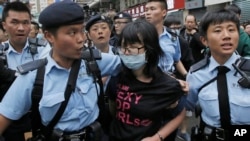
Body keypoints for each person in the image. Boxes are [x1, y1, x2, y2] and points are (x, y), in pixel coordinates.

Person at [0, 1, 121, 141]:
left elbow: (134, 66)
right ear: (49, 36)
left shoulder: (93, 62)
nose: (81, 39)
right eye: (72, 32)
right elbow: (4, 117)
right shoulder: (33, 77)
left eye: (82, 30)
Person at [106, 19, 186, 141]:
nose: (126, 53)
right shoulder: (117, 76)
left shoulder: (168, 86)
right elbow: (114, 109)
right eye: (123, 47)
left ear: (150, 50)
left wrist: (157, 137)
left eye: (133, 47)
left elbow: (180, 113)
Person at [186, 9, 250, 141]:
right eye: (218, 30)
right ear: (204, 40)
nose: (226, 35)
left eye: (231, 30)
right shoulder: (196, 74)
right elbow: (188, 106)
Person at [0, 1, 50, 141]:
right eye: (14, 22)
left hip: (40, 118)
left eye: (26, 23)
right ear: (4, 25)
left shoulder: (45, 50)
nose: (21, 28)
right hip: (10, 122)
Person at [164, 15, 194, 141]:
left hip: (181, 77)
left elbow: (181, 60)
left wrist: (187, 76)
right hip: (166, 80)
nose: (175, 29)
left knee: (183, 107)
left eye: (178, 27)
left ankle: (182, 130)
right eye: (172, 27)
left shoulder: (179, 40)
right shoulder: (158, 39)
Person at [145, 0, 188, 79]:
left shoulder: (173, 37)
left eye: (152, 9)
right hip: (150, 82)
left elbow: (176, 60)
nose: (147, 13)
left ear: (164, 12)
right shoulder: (141, 36)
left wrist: (187, 75)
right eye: (146, 10)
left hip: (170, 81)